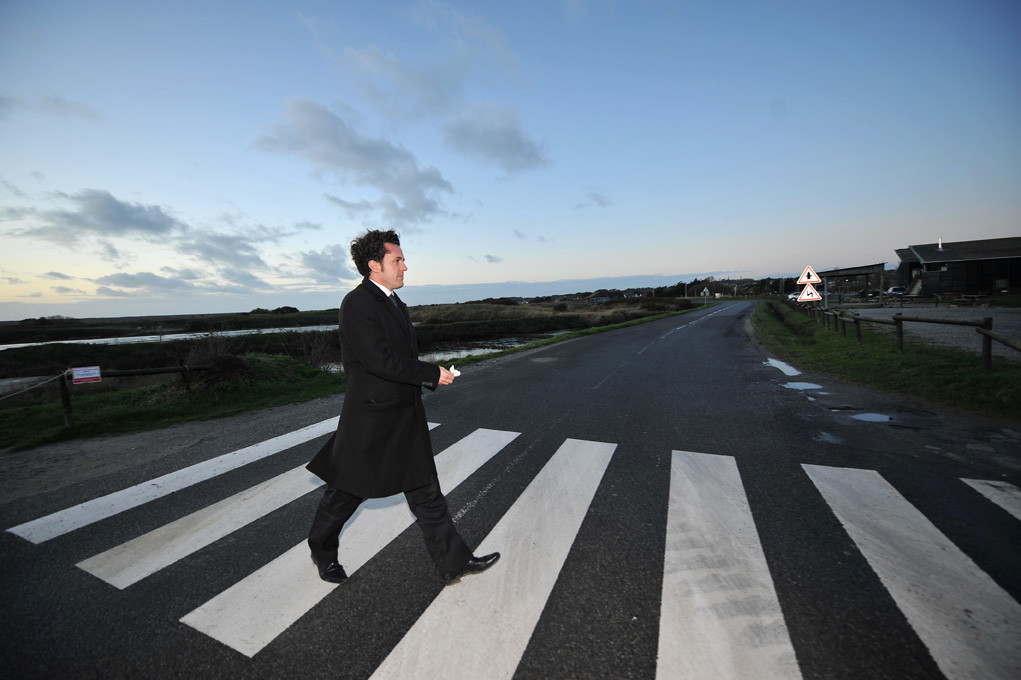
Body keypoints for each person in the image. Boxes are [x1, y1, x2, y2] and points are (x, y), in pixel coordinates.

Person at [306, 229, 499, 586]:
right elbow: (379, 360)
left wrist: (426, 374)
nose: (405, 267)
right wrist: (430, 373)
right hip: (373, 418)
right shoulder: (357, 303)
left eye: (403, 260)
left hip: (406, 414)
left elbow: (397, 357)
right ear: (374, 265)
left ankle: (454, 561)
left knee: (426, 491)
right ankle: (321, 549)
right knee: (346, 492)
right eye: (397, 260)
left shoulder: (394, 302)